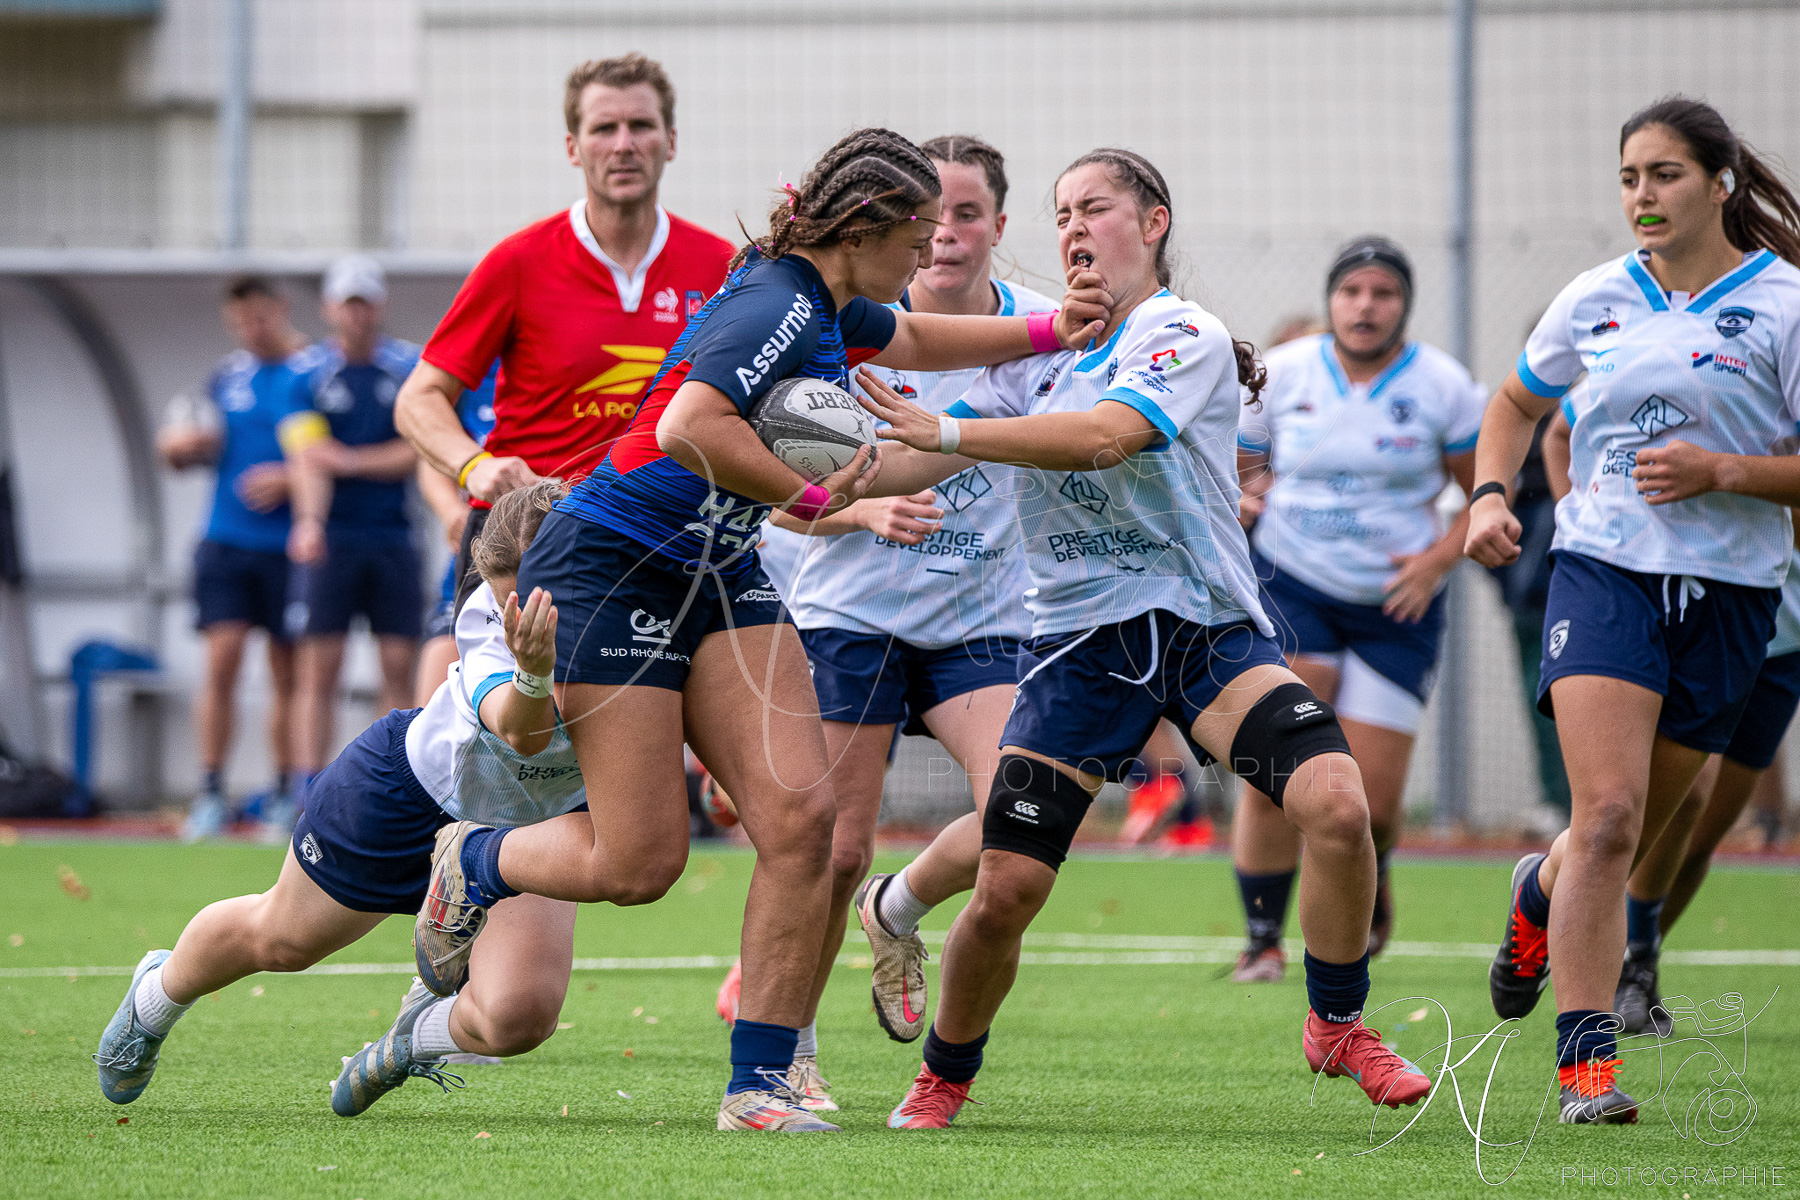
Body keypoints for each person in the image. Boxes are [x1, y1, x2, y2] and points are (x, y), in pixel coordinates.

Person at [400, 127, 1111, 1134]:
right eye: (913, 240)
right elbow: (689, 426)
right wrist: (814, 496)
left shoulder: (829, 302)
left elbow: (914, 340)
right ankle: (474, 861)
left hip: (721, 570)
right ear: (861, 231)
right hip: (616, 564)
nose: (924, 258)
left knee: (805, 826)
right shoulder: (776, 303)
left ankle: (759, 1087)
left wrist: (1046, 333)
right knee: (639, 865)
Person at [856, 147, 1431, 1129]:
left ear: (1153, 222)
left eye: (1096, 207)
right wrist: (806, 482)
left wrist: (941, 433)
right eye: (1062, 214)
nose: (1074, 228)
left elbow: (1106, 436)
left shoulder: (1183, 332)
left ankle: (1337, 1024)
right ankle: (943, 1076)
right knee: (1006, 890)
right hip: (1081, 648)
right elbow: (906, 463)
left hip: (1205, 633)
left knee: (1339, 807)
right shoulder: (1032, 355)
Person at [1467, 95, 1800, 1125]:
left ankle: (1537, 891)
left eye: (1664, 174)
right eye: (1628, 178)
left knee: (1634, 830)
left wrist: (1725, 470)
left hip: (1735, 596)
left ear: (1721, 183)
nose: (1643, 195)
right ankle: (1586, 1067)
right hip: (1603, 570)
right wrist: (1489, 496)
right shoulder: (1595, 296)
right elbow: (1515, 404)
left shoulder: (1785, 304)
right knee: (1609, 817)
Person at [719, 136, 1058, 1111]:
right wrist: (858, 510)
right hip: (848, 614)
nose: (943, 236)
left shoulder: (1039, 337)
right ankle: (793, 1048)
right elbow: (771, 487)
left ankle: (898, 907)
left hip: (979, 621)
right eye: (927, 220)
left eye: (964, 215)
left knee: (1024, 813)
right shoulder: (846, 319)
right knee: (831, 849)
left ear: (996, 224)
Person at [94, 482, 585, 1115]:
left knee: (518, 1018)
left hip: (525, 823)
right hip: (411, 794)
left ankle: (408, 1040)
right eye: (502, 597)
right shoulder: (487, 620)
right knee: (283, 940)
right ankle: (153, 1000)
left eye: (531, 597)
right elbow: (522, 731)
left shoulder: (637, 608)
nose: (514, 612)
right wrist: (533, 670)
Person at [396, 52, 733, 618]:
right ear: (573, 147)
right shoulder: (517, 262)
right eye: (603, 128)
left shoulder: (720, 266)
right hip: (526, 534)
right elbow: (418, 397)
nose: (623, 144)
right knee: (513, 683)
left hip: (666, 535)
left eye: (641, 125)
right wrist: (474, 466)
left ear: (671, 141)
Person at [1228, 237, 1484, 980]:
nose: (1365, 307)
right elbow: (1236, 462)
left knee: (1369, 803)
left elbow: (1485, 494)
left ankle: (1371, 869)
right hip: (1293, 587)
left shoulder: (1442, 385)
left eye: (1383, 293)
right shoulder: (1284, 371)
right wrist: (1246, 494)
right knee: (1279, 772)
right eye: (1351, 292)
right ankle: (1262, 940)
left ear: (1404, 304)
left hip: (1394, 606)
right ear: (1332, 299)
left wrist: (1436, 562)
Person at [1545, 411, 1800, 1036]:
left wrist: (1739, 476)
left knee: (1701, 833)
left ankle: (1638, 952)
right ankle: (1604, 1001)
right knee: (1666, 803)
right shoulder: (1669, 369)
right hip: (1675, 605)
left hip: (1775, 630)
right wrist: (1580, 525)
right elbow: (1557, 428)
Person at [157, 276, 313, 841]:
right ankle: (209, 792)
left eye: (260, 317)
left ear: (282, 309)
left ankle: (282, 793)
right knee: (220, 664)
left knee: (287, 673)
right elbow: (195, 442)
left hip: (289, 547)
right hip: (225, 542)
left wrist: (291, 478)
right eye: (241, 321)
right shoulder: (227, 376)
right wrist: (180, 449)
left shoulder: (314, 372)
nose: (252, 330)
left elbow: (335, 453)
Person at [285, 257, 424, 823]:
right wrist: (309, 522)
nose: (356, 314)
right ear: (329, 308)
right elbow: (307, 454)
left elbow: (417, 449)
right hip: (335, 538)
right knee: (319, 667)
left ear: (379, 306)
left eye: (364, 303)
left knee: (397, 663)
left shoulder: (408, 366)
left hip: (394, 536)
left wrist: (348, 460)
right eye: (347, 303)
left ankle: (391, 788)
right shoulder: (307, 374)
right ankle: (306, 791)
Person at [415, 362, 498, 706]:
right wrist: (451, 511)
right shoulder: (473, 368)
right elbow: (431, 452)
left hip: (559, 550)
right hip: (478, 553)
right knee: (429, 707)